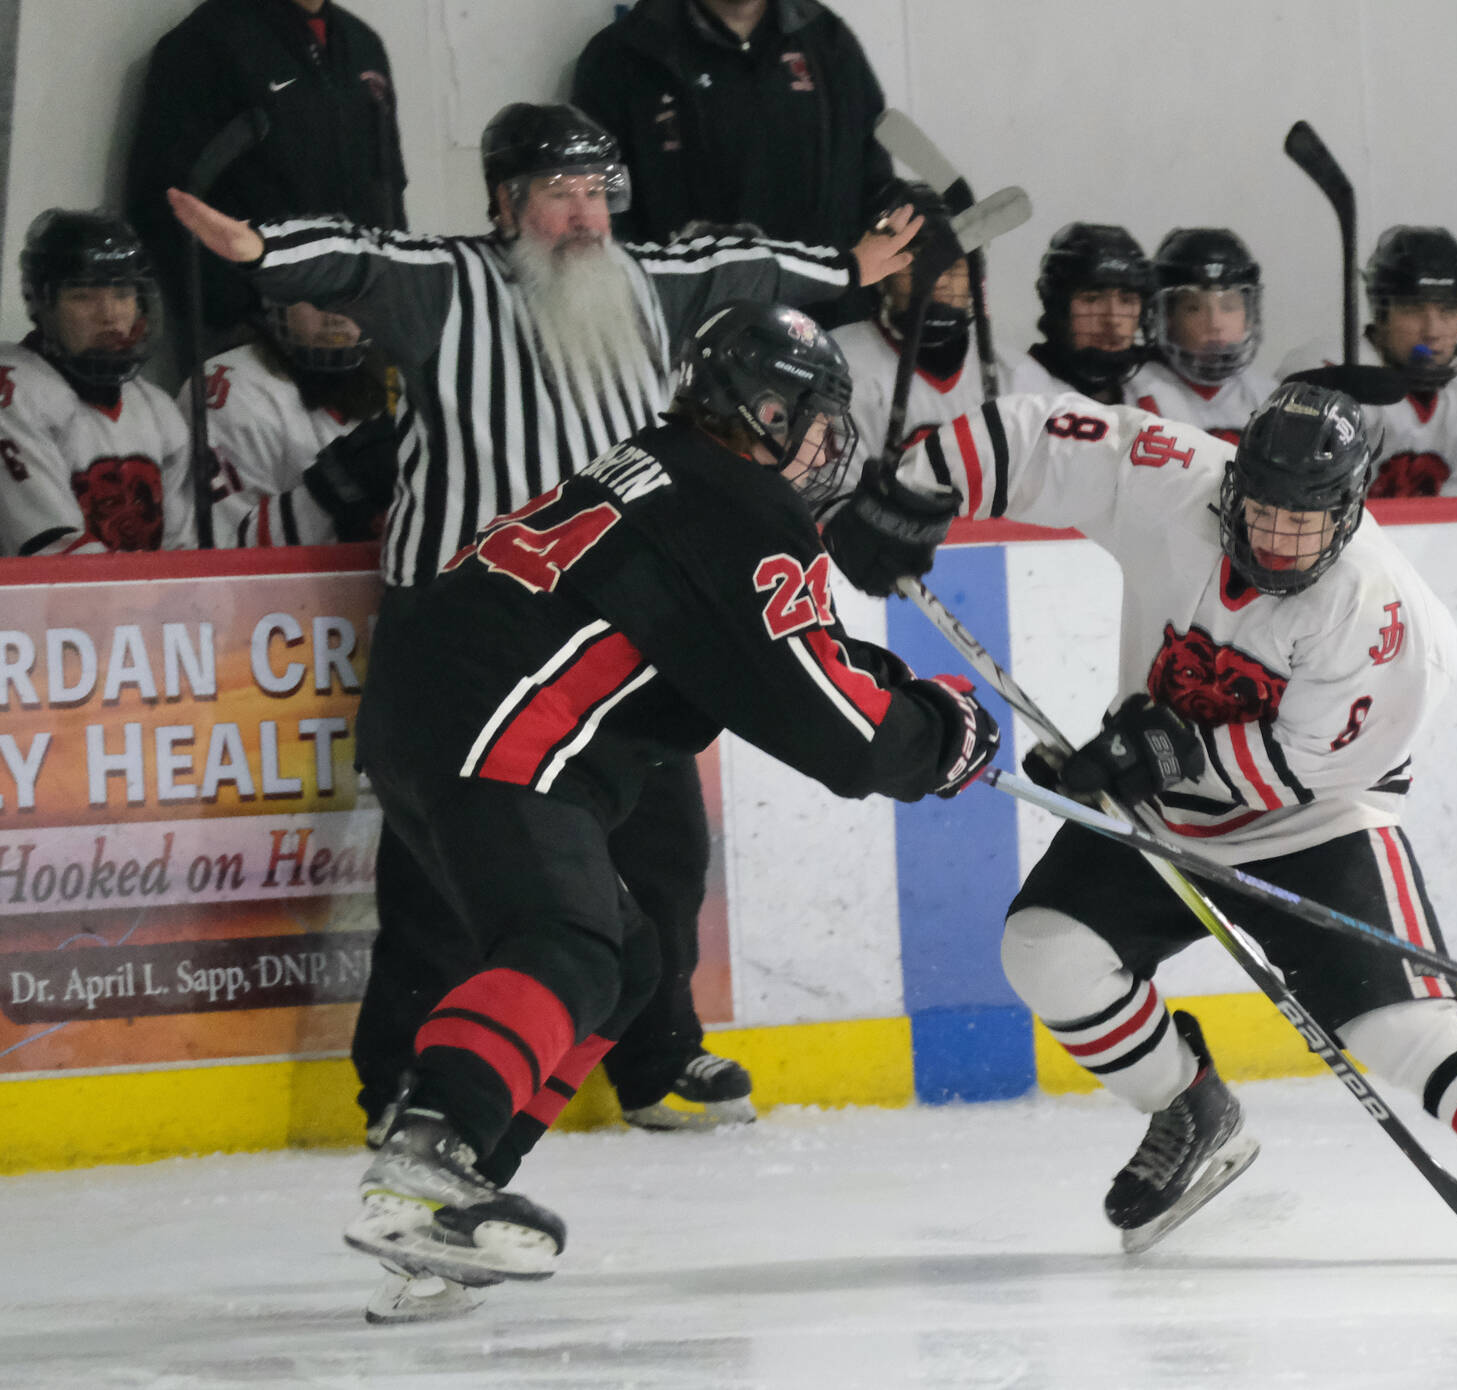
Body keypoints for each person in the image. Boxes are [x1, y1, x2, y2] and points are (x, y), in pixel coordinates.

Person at [168, 102, 922, 1179]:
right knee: (443, 884)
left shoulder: (642, 288)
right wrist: (260, 249)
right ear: (505, 205)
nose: (583, 217)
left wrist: (845, 267)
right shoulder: (452, 288)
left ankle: (655, 1059)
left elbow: (743, 275)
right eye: (559, 196)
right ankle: (403, 1089)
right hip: (468, 628)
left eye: (596, 194)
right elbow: (354, 261)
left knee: (663, 859)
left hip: (619, 638)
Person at [825, 381, 1457, 1267]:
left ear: (1348, 512)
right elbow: (1040, 435)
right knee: (1045, 950)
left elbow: (1319, 763)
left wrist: (1159, 751)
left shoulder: (1386, 618)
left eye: (1302, 523)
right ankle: (1189, 1108)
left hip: (1316, 824)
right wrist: (916, 486)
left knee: (1398, 1031)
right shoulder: (1174, 481)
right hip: (1157, 813)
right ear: (1234, 482)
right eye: (1262, 512)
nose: (1276, 538)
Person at [343, 301, 999, 1312]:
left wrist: (909, 707)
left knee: (630, 953)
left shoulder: (668, 468)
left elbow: (761, 660)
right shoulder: (740, 515)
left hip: (428, 697)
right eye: (818, 417)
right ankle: (427, 1159)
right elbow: (836, 731)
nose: (830, 443)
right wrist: (938, 736)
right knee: (562, 942)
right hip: (500, 717)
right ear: (767, 412)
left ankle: (450, 1191)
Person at [571, 0, 893, 327]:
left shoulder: (826, 39)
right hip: (696, 343)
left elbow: (873, 175)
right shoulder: (620, 58)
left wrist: (911, 224)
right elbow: (604, 215)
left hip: (830, 332)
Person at [127, 0, 405, 344]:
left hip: (361, 330)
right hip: (257, 338)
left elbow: (389, 187)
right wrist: (251, 311)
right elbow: (162, 203)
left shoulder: (363, 44)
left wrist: (397, 294)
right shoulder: (205, 42)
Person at [0, 211, 194, 556]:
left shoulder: (158, 410)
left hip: (137, 604)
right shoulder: (14, 390)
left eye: (122, 293)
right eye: (83, 295)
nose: (109, 314)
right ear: (43, 305)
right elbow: (53, 550)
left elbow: (179, 552)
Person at [1281, 226, 1457, 497]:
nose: (1432, 331)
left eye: (1448, 310)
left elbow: (1452, 524)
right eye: (1413, 310)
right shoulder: (1328, 372)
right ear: (1381, 313)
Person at [181, 300, 400, 546]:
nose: (338, 314)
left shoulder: (400, 371)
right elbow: (218, 558)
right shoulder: (236, 391)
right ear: (274, 293)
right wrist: (328, 495)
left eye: (352, 294)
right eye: (318, 293)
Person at [833, 182, 1012, 466]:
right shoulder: (840, 365)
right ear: (884, 274)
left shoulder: (1016, 376)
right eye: (917, 263)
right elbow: (832, 503)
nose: (938, 281)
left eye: (953, 265)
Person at [1128, 227, 1276, 444]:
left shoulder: (1270, 398)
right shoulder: (1130, 392)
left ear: (1249, 316)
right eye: (1193, 308)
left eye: (1229, 306)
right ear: (1166, 317)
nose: (1215, 323)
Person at [1013, 224, 1154, 405]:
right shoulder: (1014, 389)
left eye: (1127, 301)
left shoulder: (1157, 394)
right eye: (1092, 299)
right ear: (1057, 307)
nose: (1113, 319)